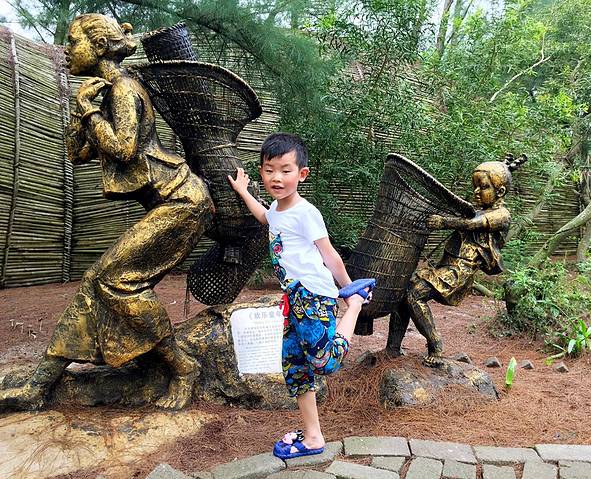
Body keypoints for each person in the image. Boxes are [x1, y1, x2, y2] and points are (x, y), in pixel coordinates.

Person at [0, 14, 213, 412]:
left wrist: (88, 109)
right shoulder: (105, 94)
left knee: (115, 280)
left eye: (73, 42)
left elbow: (124, 149)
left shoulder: (124, 89)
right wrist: (81, 109)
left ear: (98, 47)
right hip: (169, 203)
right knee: (97, 280)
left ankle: (183, 368)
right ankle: (40, 385)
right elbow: (77, 152)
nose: (67, 51)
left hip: (183, 201)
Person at [228, 132, 371, 459]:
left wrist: (348, 290)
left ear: (302, 174)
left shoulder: (307, 213)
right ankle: (313, 437)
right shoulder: (277, 209)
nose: (276, 178)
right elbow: (264, 217)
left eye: (285, 170)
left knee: (324, 362)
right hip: (293, 299)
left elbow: (329, 254)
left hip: (315, 296)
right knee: (294, 367)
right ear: (262, 172)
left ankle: (356, 304)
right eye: (269, 170)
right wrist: (243, 191)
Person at [387, 157, 525, 365]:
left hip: (460, 270)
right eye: (475, 186)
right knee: (404, 291)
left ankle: (435, 346)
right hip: (447, 265)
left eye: (483, 187)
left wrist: (444, 222)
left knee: (414, 293)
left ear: (500, 191)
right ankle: (392, 348)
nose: (476, 192)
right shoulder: (476, 209)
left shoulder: (501, 215)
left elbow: (473, 224)